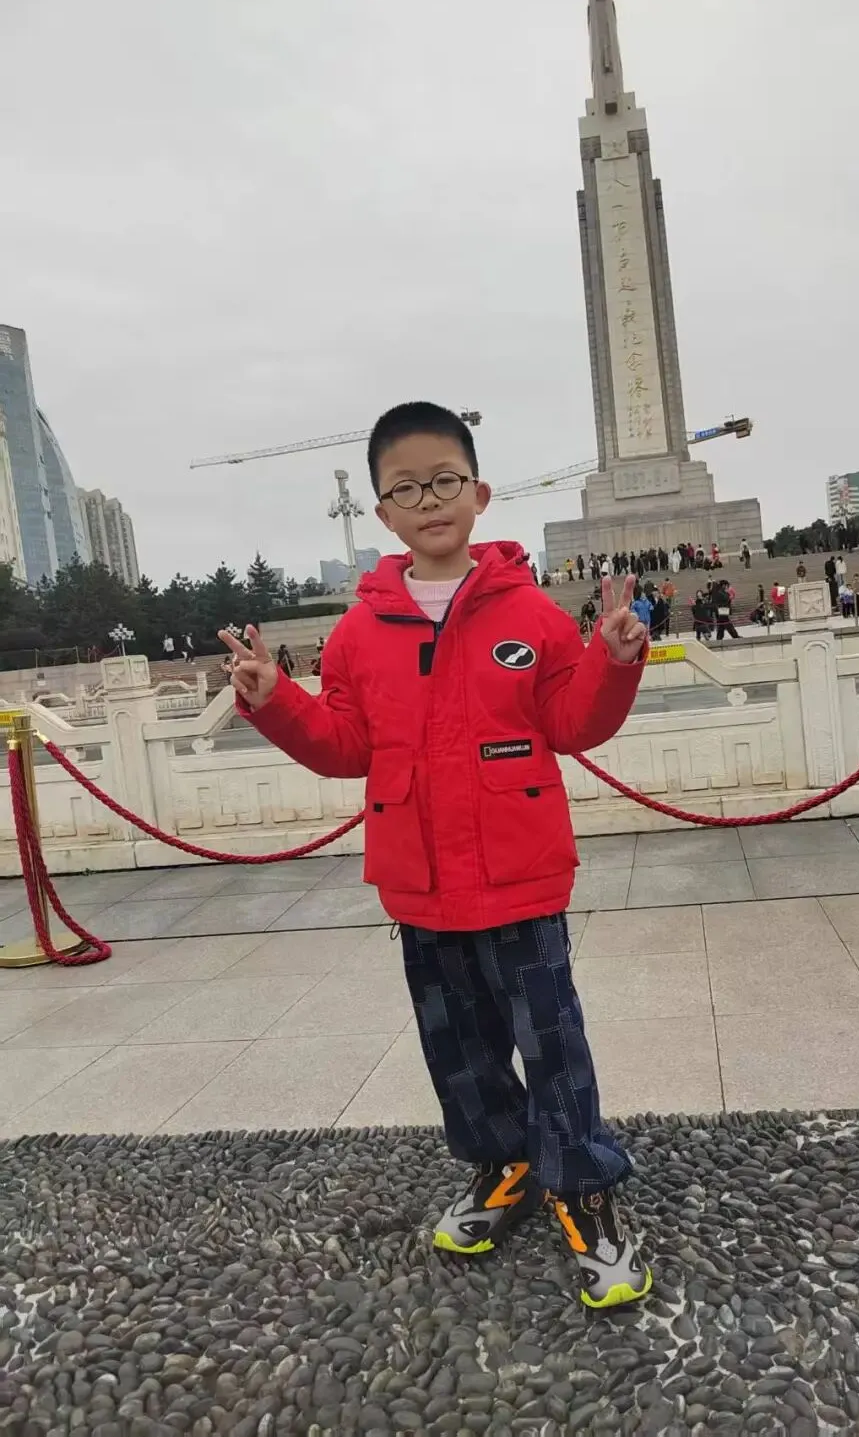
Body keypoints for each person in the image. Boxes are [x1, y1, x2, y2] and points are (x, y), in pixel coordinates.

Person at [220, 402, 651, 1310]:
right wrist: (274, 699)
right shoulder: (356, 634)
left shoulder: (531, 613)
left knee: (552, 1040)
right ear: (382, 512)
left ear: (479, 494)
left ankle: (581, 1186)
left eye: (445, 480)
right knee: (458, 1045)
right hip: (420, 884)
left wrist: (612, 662)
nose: (429, 500)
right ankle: (505, 1163)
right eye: (406, 488)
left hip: (520, 878)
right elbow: (343, 744)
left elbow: (574, 722)